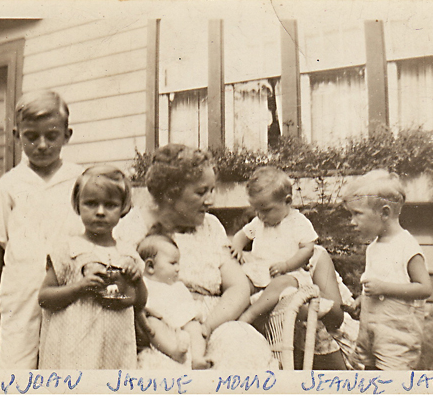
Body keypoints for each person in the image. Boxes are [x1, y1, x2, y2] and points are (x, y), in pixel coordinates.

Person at [114, 144, 274, 369]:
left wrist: (204, 329)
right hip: (159, 332)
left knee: (242, 348)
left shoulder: (210, 226)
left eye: (212, 190)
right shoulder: (132, 227)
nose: (211, 200)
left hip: (215, 325)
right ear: (171, 193)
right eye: (201, 192)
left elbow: (238, 287)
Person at [0, 90, 84, 369]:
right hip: (20, 294)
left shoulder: (79, 180)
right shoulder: (10, 185)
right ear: (16, 136)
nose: (42, 145)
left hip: (67, 291)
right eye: (31, 136)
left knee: (64, 367)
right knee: (16, 369)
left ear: (67, 135)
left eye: (52, 135)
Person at [38, 165, 147, 369]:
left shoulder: (128, 253)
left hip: (115, 346)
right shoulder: (68, 250)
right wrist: (80, 288)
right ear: (77, 205)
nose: (100, 212)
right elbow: (44, 297)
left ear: (123, 208)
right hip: (74, 347)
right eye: (90, 203)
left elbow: (139, 302)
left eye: (110, 205)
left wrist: (137, 280)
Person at [341, 170, 432, 370]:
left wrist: (384, 288)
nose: (352, 222)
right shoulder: (374, 246)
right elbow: (377, 281)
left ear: (384, 213)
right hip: (370, 331)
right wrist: (362, 299)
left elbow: (425, 288)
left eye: (357, 214)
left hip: (397, 337)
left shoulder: (406, 246)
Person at [230, 167, 318, 325]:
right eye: (256, 210)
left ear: (288, 201)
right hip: (260, 270)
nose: (261, 215)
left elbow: (307, 248)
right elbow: (241, 236)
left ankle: (250, 315)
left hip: (289, 274)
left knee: (281, 284)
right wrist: (237, 248)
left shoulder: (298, 222)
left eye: (266, 210)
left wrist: (287, 265)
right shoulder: (258, 222)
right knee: (239, 280)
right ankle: (233, 309)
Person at [135, 233, 210, 369]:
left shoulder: (177, 286)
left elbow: (188, 306)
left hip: (181, 324)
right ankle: (174, 352)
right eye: (173, 263)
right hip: (160, 325)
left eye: (178, 263)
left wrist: (196, 317)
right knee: (152, 324)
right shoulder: (143, 284)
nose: (178, 268)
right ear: (150, 266)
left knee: (195, 328)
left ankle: (198, 357)